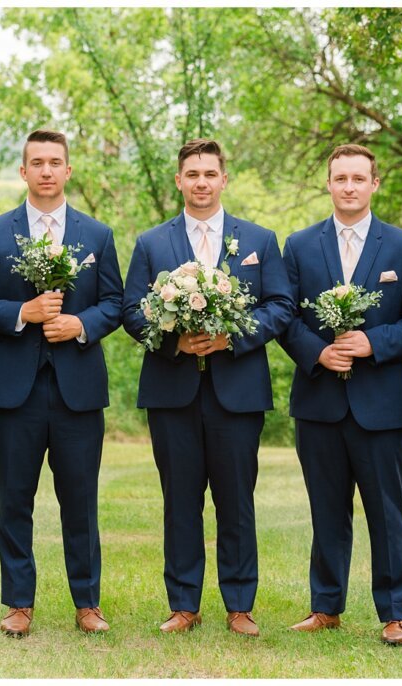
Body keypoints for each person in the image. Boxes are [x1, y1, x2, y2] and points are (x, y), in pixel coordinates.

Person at [122, 138, 294, 637]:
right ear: (179, 180)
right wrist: (174, 339)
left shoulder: (258, 240)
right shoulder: (153, 242)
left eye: (209, 173)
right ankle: (183, 605)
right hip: (171, 389)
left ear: (224, 179)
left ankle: (240, 605)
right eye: (192, 174)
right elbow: (132, 311)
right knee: (180, 500)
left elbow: (280, 307)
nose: (201, 182)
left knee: (237, 499)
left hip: (237, 391)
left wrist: (231, 339)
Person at [0, 129, 123, 637]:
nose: (47, 171)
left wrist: (80, 325)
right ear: (23, 171)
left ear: (68, 170)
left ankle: (87, 603)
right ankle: (18, 603)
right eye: (37, 162)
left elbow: (114, 303)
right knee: (14, 499)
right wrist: (24, 313)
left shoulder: (96, 235)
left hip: (78, 387)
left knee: (80, 500)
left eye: (55, 162)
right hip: (15, 389)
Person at [278, 144, 402, 644]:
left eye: (358, 178)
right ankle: (326, 606)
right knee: (326, 509)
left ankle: (395, 613)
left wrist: (373, 342)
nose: (349, 186)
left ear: (374, 184)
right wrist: (318, 353)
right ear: (328, 184)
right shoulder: (299, 246)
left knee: (388, 512)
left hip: (381, 404)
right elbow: (284, 316)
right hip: (319, 400)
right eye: (340, 177)